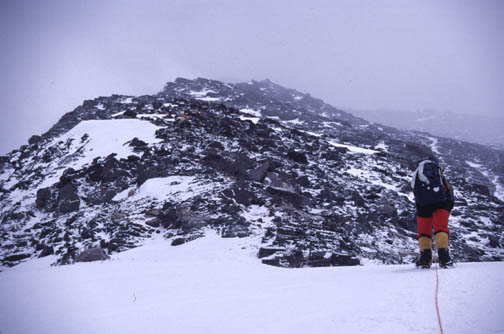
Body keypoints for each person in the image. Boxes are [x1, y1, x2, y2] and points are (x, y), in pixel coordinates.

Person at [411, 156, 455, 268]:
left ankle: (425, 260)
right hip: (442, 203)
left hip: (423, 206)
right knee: (441, 228)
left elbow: (415, 190)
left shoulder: (418, 173)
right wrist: (448, 206)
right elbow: (448, 190)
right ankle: (445, 259)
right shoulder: (438, 172)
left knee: (424, 232)